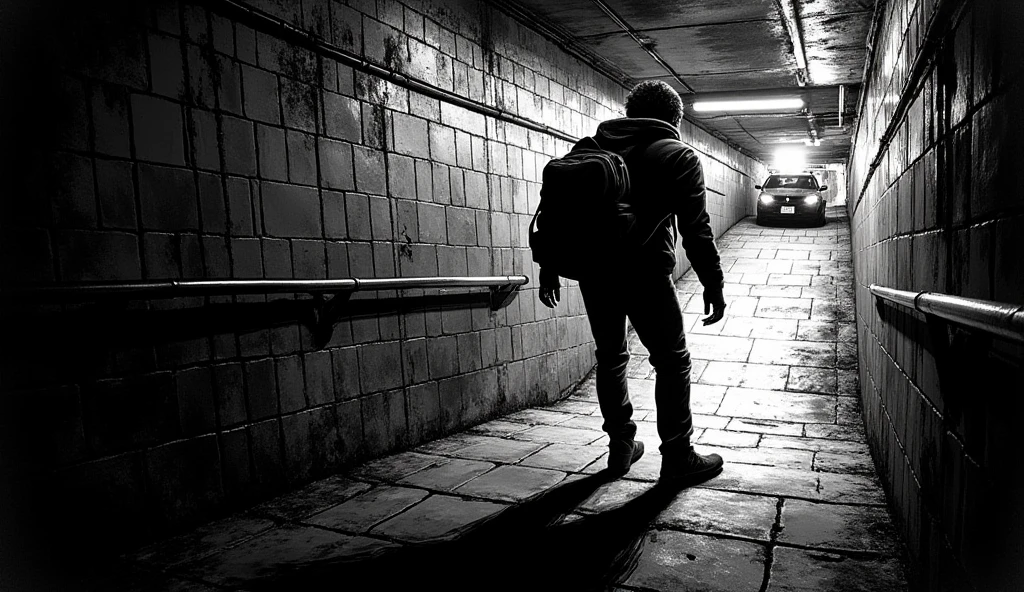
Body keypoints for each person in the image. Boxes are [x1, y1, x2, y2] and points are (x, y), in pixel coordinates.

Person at [538, 80, 727, 486]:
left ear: (629, 112)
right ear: (675, 118)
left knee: (610, 357)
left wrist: (548, 267)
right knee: (671, 361)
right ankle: (677, 454)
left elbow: (555, 214)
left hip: (594, 272)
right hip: (646, 275)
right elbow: (697, 230)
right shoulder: (678, 156)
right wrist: (713, 283)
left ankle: (621, 446)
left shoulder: (589, 148)